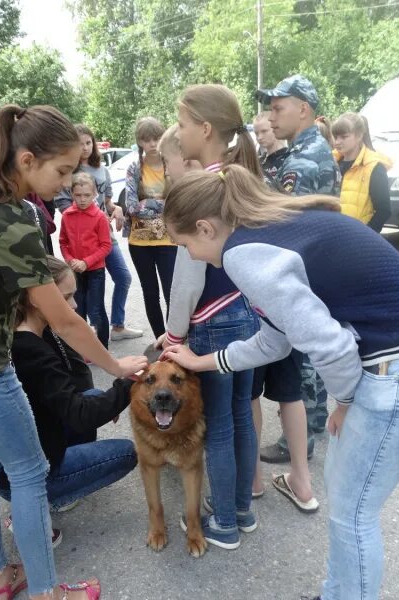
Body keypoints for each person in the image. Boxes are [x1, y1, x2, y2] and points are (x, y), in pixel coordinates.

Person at [162, 165, 399, 600]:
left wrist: (344, 400)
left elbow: (332, 347)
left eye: (185, 243)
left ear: (206, 227)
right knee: (347, 506)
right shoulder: (266, 228)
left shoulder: (242, 256)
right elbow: (276, 340)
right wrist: (203, 360)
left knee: (353, 514)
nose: (189, 255)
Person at [0, 103, 146, 600]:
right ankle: (47, 591)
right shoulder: (10, 218)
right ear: (25, 160)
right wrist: (116, 365)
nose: (65, 183)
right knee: (29, 474)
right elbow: (63, 317)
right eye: (61, 170)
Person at [156, 84, 261, 550]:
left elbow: (187, 280)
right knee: (240, 414)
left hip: (211, 322)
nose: (178, 134)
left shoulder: (201, 189)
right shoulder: (240, 178)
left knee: (218, 424)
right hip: (247, 314)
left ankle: (221, 524)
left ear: (203, 128)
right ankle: (241, 508)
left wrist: (174, 334)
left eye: (180, 125)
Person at [0, 256, 137, 532]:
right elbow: (80, 415)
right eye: (67, 297)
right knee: (129, 453)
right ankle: (44, 501)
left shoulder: (33, 330)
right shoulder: (30, 351)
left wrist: (106, 402)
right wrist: (127, 385)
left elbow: (76, 384)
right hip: (32, 472)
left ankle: (53, 488)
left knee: (94, 394)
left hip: (30, 448)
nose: (74, 306)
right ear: (37, 297)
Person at [255, 74, 339, 463]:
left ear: (303, 109)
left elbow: (283, 222)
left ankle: (299, 442)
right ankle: (312, 426)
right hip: (314, 266)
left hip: (304, 271)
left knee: (305, 356)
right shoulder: (303, 151)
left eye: (278, 108)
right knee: (308, 355)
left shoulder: (304, 159)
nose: (271, 116)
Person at [251, 111, 318, 510]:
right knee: (289, 394)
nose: (268, 130)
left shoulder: (277, 170)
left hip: (256, 307)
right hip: (286, 302)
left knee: (251, 395)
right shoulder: (284, 170)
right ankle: (302, 483)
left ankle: (255, 481)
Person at [55, 124, 143, 341]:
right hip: (83, 241)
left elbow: (107, 201)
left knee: (123, 278)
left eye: (88, 142)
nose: (85, 148)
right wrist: (91, 216)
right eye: (79, 144)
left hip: (104, 236)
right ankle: (88, 339)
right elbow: (66, 209)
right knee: (83, 301)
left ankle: (118, 327)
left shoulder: (101, 169)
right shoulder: (67, 171)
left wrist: (116, 209)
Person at [124, 117, 176, 340]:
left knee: (171, 293)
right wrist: (161, 205)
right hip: (140, 241)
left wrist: (149, 204)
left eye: (156, 138)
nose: (153, 144)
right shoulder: (135, 167)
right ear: (140, 142)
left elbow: (179, 202)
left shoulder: (171, 164)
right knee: (150, 293)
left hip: (168, 240)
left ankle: (173, 339)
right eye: (147, 140)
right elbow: (131, 206)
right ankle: (158, 339)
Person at [59, 172, 112, 349]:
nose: (82, 199)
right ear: (72, 194)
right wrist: (70, 260)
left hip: (95, 271)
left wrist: (86, 262)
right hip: (75, 271)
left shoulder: (99, 217)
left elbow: (106, 246)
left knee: (96, 311)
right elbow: (63, 241)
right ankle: (83, 349)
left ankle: (103, 347)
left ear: (95, 194)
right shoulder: (67, 215)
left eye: (87, 195)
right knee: (78, 310)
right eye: (78, 195)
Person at [331, 112, 393, 232]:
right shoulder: (331, 163)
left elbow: (384, 211)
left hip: (358, 239)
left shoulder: (374, 167)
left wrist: (365, 236)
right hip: (333, 236)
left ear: (359, 136)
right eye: (336, 136)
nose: (337, 142)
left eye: (344, 137)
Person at [253, 112, 288, 189]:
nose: (259, 137)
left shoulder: (288, 160)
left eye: (264, 131)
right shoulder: (258, 161)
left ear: (276, 128)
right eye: (256, 133)